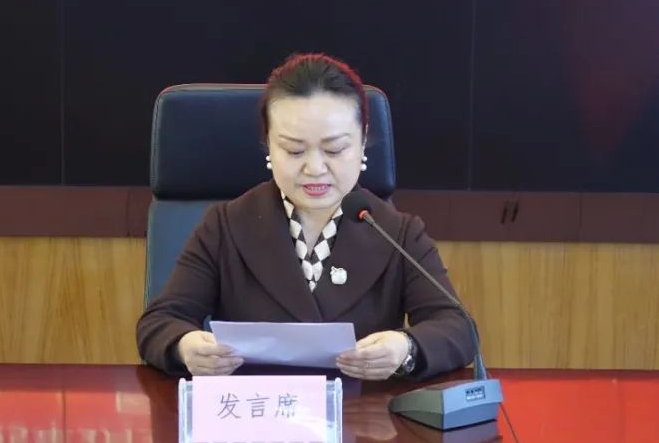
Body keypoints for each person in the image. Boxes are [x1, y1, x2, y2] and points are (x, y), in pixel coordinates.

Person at [136, 53, 474, 380]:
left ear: (362, 142)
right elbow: (160, 322)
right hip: (258, 410)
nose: (315, 168)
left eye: (334, 149)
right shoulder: (225, 226)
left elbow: (457, 328)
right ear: (268, 145)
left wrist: (406, 347)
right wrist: (185, 346)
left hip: (362, 411)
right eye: (294, 150)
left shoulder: (397, 232)